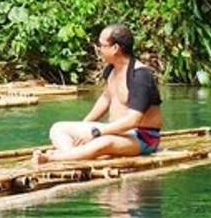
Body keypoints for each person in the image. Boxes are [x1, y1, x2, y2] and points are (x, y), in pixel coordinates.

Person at [33, 23, 163, 166]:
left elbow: (133, 121)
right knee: (58, 128)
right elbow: (106, 99)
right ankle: (73, 155)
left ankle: (53, 158)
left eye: (101, 45)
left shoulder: (140, 76)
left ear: (115, 48)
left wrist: (96, 133)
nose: (99, 49)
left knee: (103, 142)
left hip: (142, 137)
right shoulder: (111, 69)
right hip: (113, 131)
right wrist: (84, 126)